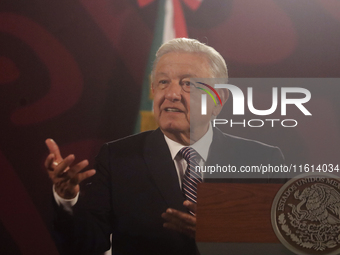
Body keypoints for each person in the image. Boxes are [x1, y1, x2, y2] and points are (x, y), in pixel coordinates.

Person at [45, 38, 284, 255]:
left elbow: (285, 244)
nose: (171, 94)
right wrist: (67, 200)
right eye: (162, 82)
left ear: (218, 100)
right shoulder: (117, 158)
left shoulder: (263, 160)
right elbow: (86, 245)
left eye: (187, 83)